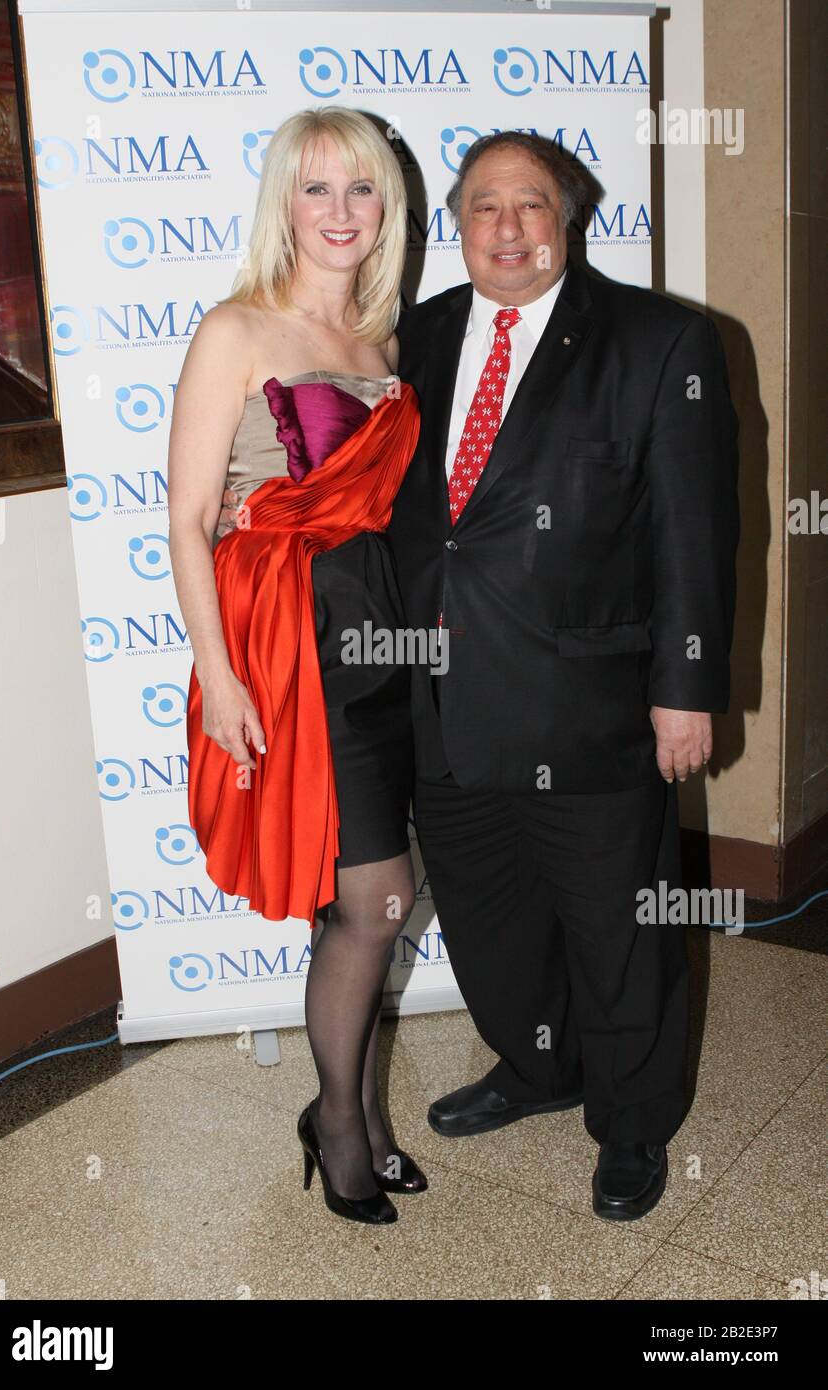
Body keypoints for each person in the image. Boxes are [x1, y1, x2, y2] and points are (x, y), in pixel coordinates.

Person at [218, 130, 739, 1222]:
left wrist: (684, 686)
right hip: (437, 704)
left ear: (569, 215)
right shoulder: (413, 335)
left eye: (530, 206)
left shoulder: (658, 342)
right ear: (452, 224)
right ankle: (536, 1066)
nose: (506, 229)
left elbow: (695, 534)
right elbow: (354, 493)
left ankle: (631, 1123)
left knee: (617, 926)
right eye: (483, 208)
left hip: (590, 710)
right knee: (495, 923)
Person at [168, 106, 425, 1226]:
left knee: (366, 898)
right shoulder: (236, 329)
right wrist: (219, 679)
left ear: (386, 209)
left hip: (387, 638)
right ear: (284, 203)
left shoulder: (384, 346)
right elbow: (185, 521)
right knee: (372, 900)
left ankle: (360, 1115)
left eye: (359, 189)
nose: (337, 211)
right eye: (314, 189)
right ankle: (337, 1122)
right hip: (289, 648)